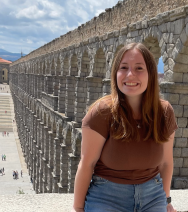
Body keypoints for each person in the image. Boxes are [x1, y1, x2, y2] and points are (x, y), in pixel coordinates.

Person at [72, 43, 177, 212]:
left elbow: (166, 163)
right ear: (115, 73)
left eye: (139, 68)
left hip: (153, 195)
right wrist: (77, 208)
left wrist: (166, 200)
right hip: (107, 197)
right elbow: (87, 164)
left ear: (151, 74)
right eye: (124, 67)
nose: (130, 74)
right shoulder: (101, 113)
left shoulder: (164, 112)